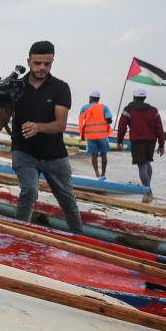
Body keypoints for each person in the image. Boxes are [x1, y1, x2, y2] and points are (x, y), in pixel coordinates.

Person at [9, 41, 83, 234]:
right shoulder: (17, 86)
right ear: (29, 61)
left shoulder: (60, 87)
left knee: (67, 199)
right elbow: (0, 121)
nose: (42, 68)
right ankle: (20, 233)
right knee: (29, 191)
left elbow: (61, 124)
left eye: (47, 64)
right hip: (24, 151)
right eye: (37, 63)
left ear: (52, 63)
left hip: (54, 153)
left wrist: (38, 127)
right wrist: (3, 97)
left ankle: (79, 236)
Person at [116, 88, 165, 204]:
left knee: (142, 166)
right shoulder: (154, 110)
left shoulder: (128, 109)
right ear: (145, 98)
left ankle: (148, 192)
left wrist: (120, 140)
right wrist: (161, 144)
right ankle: (148, 189)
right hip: (151, 141)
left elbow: (122, 126)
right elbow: (160, 128)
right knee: (147, 163)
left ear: (134, 97)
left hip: (138, 141)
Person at [77, 90, 112, 179]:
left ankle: (97, 172)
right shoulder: (104, 107)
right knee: (103, 154)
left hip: (90, 136)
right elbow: (109, 120)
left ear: (91, 98)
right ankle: (103, 174)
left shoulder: (84, 108)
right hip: (102, 136)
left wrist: (82, 136)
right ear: (98, 99)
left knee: (94, 155)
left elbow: (81, 122)